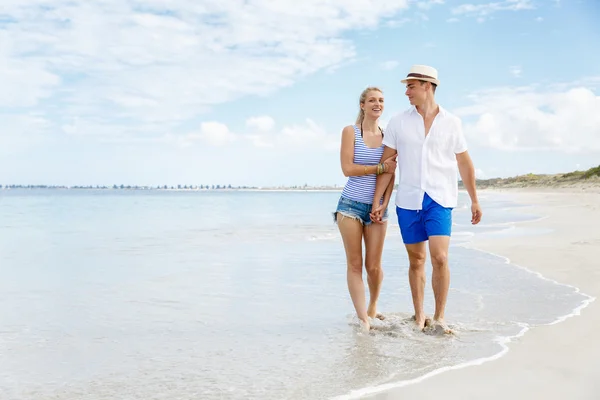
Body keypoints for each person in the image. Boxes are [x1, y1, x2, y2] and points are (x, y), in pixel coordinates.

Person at [370, 65, 482, 333]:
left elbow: (464, 162)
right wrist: (379, 200)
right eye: (406, 87)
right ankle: (420, 316)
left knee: (440, 257)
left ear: (427, 86)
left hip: (440, 198)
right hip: (408, 200)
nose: (406, 92)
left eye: (411, 86)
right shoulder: (398, 121)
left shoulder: (452, 122)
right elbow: (388, 164)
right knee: (416, 260)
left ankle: (439, 316)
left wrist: (475, 199)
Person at [333, 86, 397, 332]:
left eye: (381, 100)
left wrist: (382, 204)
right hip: (349, 206)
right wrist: (378, 169)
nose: (377, 104)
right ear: (363, 105)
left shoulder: (388, 135)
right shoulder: (351, 132)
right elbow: (347, 169)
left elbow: (392, 174)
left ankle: (373, 307)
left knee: (374, 266)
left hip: (378, 208)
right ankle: (363, 320)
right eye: (372, 100)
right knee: (355, 265)